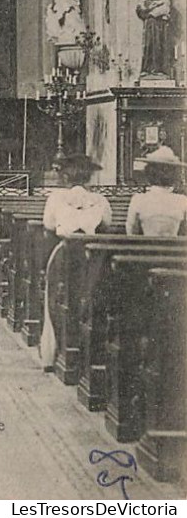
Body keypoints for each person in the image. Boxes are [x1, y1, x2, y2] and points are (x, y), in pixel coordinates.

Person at [40, 154, 112, 370]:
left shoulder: (55, 198)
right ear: (89, 177)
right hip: (93, 257)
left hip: (66, 254)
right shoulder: (100, 200)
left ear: (64, 177)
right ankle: (89, 350)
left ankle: (58, 350)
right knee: (88, 297)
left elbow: (49, 226)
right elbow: (107, 225)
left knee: (57, 297)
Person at [126, 145, 187, 236]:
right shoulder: (182, 201)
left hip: (144, 249)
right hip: (174, 249)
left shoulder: (138, 199)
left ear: (149, 173)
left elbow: (131, 232)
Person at [136, 0, 171, 76]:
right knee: (150, 45)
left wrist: (165, 15)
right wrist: (150, 8)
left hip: (160, 25)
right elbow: (140, 12)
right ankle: (147, 69)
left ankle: (159, 69)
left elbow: (168, 11)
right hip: (150, 25)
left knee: (160, 45)